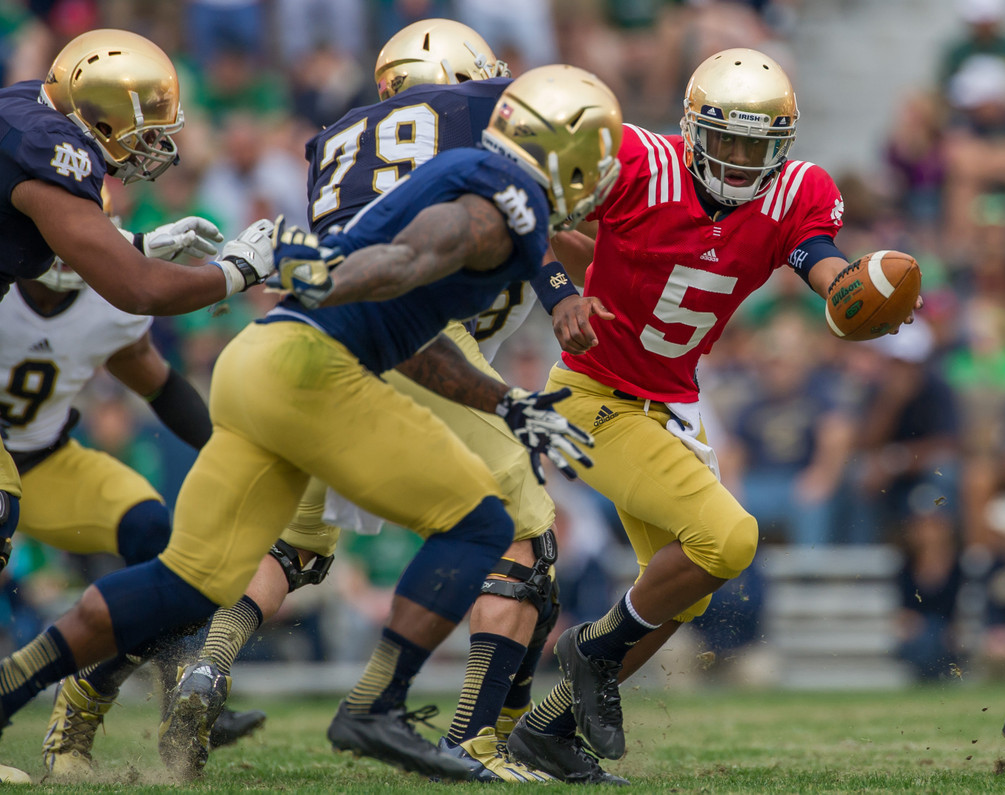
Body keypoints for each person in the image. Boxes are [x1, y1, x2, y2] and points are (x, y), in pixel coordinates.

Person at [0, 63, 622, 784]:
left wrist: (504, 401)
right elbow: (407, 259)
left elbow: (412, 338)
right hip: (316, 372)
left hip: (258, 362)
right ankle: (377, 706)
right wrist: (324, 273)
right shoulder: (501, 202)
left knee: (187, 581)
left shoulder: (472, 176)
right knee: (484, 523)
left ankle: (14, 689)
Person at [157, 20, 559, 783]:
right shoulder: (477, 126)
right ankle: (471, 738)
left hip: (318, 337)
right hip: (418, 338)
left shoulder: (337, 142)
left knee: (293, 545)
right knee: (521, 539)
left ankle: (207, 668)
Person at [502, 48, 920, 782]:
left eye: (756, 146)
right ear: (693, 129)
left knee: (682, 588)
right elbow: (526, 209)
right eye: (726, 140)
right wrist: (562, 292)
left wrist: (851, 290)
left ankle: (549, 730)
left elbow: (817, 258)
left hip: (672, 401)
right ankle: (590, 650)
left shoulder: (797, 193)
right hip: (593, 392)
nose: (739, 159)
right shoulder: (637, 163)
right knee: (729, 538)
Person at [0, 27, 277, 614]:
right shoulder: (50, 150)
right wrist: (237, 272)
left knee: (148, 529)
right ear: (99, 117)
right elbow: (136, 288)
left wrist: (140, 242)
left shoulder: (31, 109)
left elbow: (53, 244)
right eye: (144, 126)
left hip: (44, 453)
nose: (152, 143)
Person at [3, 210, 265, 779]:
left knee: (156, 537)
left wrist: (227, 454)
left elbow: (158, 382)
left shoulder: (106, 304)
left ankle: (173, 705)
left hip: (47, 461)